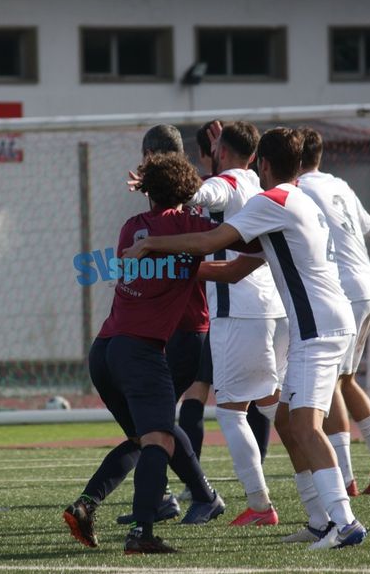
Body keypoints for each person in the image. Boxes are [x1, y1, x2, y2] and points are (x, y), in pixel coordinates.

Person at [124, 127, 367, 550]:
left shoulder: (270, 202)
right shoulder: (294, 201)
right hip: (317, 323)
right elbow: (236, 268)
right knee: (289, 421)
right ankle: (317, 519)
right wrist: (182, 270)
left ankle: (344, 523)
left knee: (306, 426)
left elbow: (210, 240)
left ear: (263, 164)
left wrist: (154, 245)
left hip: (318, 328)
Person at [64, 149, 234, 555]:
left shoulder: (131, 228)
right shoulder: (189, 226)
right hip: (140, 352)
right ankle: (143, 531)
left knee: (145, 438)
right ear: (187, 190)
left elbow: (181, 258)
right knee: (160, 440)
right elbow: (224, 236)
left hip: (104, 351)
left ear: (147, 192)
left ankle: (88, 504)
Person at [183, 120, 288, 526]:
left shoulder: (225, 183)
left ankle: (262, 506)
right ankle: (328, 475)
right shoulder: (258, 185)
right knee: (272, 403)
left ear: (221, 152)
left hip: (239, 310)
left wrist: (165, 184)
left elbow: (203, 192)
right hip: (272, 307)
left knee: (231, 411)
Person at [297, 127, 370, 496]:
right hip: (367, 286)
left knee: (329, 386)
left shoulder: (300, 191)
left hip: (343, 292)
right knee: (345, 380)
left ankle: (345, 478)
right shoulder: (338, 183)